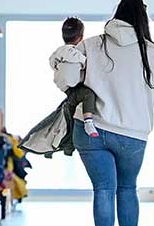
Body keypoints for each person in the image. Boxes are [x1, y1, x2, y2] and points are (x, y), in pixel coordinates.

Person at [54, 0, 154, 226]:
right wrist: (151, 43)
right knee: (126, 188)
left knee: (103, 190)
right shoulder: (151, 51)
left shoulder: (91, 45)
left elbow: (67, 79)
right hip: (133, 135)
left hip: (91, 129)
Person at [20, 16, 101, 157]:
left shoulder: (59, 52)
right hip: (74, 87)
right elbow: (86, 63)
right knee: (89, 95)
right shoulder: (75, 53)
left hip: (65, 88)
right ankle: (88, 122)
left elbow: (51, 62)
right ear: (81, 37)